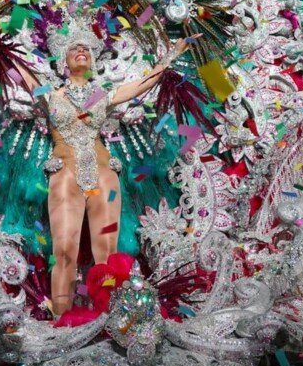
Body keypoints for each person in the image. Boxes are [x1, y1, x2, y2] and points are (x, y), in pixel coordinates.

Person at [19, 31, 190, 316]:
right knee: (63, 253)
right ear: (64, 59)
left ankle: (110, 319)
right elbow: (19, 73)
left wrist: (172, 55)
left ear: (95, 59)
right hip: (65, 176)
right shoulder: (48, 94)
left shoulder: (104, 96)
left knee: (108, 257)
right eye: (74, 47)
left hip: (103, 174)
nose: (81, 50)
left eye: (86, 47)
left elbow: (142, 85)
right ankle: (62, 323)